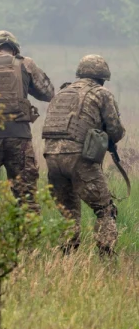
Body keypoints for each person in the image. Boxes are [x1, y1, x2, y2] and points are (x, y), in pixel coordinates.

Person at [41, 54, 126, 254]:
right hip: (80, 159)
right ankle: (106, 256)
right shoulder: (101, 93)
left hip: (51, 158)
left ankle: (66, 257)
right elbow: (115, 130)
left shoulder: (61, 93)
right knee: (106, 210)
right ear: (102, 77)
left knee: (68, 214)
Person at [0, 30, 54, 203]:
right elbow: (48, 93)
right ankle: (27, 229)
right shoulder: (26, 64)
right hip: (19, 136)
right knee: (26, 196)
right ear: (14, 50)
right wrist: (24, 85)